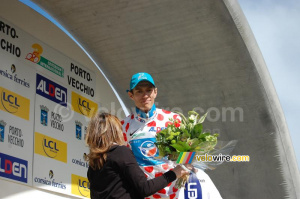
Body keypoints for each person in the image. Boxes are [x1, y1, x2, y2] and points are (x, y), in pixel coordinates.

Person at [122, 72, 223, 199]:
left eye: (149, 90)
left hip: (174, 191)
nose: (145, 95)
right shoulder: (124, 126)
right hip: (143, 193)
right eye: (139, 91)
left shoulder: (172, 119)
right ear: (131, 95)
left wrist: (187, 162)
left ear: (155, 92)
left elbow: (189, 149)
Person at [86, 112, 190, 199]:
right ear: (115, 131)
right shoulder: (120, 152)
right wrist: (174, 173)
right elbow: (145, 188)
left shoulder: (93, 163)